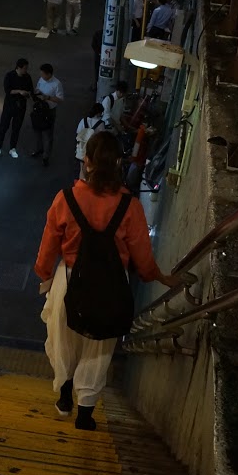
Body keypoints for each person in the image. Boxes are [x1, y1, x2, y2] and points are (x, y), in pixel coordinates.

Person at [34, 132, 182, 429]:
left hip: (69, 279)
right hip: (112, 285)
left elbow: (48, 249)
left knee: (64, 342)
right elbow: (142, 257)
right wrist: (161, 277)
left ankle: (65, 395)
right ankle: (86, 414)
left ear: (86, 162)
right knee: (98, 349)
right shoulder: (130, 207)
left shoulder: (65, 200)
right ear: (117, 164)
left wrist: (45, 274)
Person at [0, 57, 32, 158]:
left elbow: (30, 90)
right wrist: (19, 91)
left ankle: (12, 148)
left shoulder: (27, 77)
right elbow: (7, 90)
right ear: (19, 67)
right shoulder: (9, 75)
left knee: (16, 128)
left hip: (21, 107)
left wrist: (27, 94)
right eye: (25, 68)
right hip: (9, 105)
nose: (26, 70)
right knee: (3, 126)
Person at [30, 62, 64, 164]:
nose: (41, 76)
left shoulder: (57, 84)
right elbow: (38, 88)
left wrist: (48, 97)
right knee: (37, 130)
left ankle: (46, 156)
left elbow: (60, 99)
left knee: (48, 134)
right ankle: (38, 149)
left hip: (49, 110)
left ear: (49, 74)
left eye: (43, 74)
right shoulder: (41, 79)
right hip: (39, 108)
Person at [74, 102, 108, 179]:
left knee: (82, 169)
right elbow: (102, 138)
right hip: (93, 150)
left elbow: (78, 133)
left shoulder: (84, 120)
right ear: (99, 112)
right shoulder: (101, 124)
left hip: (82, 149)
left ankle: (80, 184)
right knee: (91, 169)